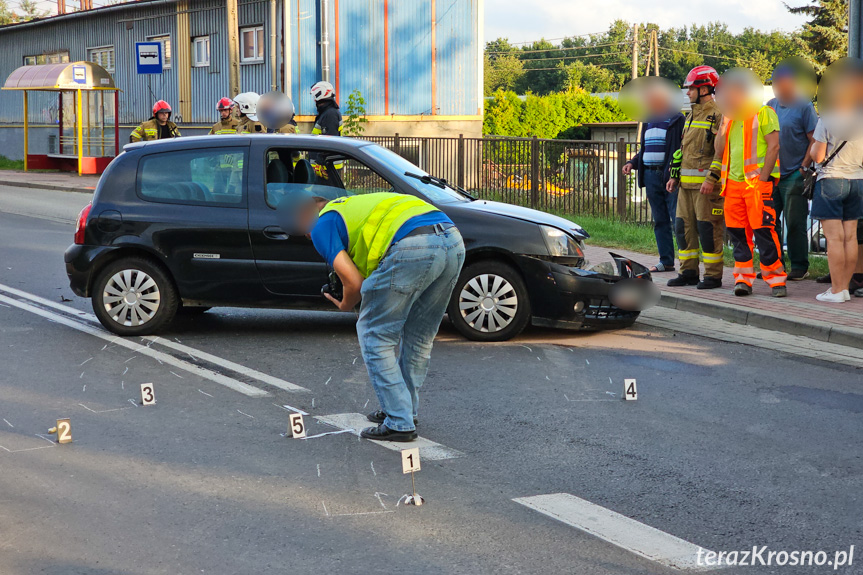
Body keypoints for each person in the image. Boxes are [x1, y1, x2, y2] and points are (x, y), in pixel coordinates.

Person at [291, 190, 464, 441]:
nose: (308, 236)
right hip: (452, 241)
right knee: (419, 336)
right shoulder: (354, 206)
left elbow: (353, 281)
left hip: (412, 247)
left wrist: (344, 304)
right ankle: (404, 411)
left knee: (375, 335)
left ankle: (399, 422)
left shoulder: (321, 225)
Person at [715, 69, 787, 297]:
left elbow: (774, 146)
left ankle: (776, 281)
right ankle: (743, 280)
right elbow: (719, 151)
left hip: (757, 185)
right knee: (738, 236)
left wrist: (764, 179)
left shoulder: (764, 112)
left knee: (764, 233)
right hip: (732, 187)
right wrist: (724, 126)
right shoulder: (729, 117)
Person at [666, 66, 725, 289]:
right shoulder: (690, 114)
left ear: (704, 89)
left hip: (706, 187)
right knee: (683, 230)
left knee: (708, 230)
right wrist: (674, 175)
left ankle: (713, 276)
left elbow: (721, 152)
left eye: (691, 88)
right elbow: (683, 150)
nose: (688, 92)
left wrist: (712, 179)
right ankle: (688, 272)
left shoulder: (718, 114)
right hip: (685, 186)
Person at [767, 63, 819, 281]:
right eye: (775, 83)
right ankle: (775, 265)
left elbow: (815, 140)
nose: (778, 87)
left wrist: (804, 166)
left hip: (795, 173)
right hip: (773, 174)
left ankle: (799, 265)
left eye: (782, 83)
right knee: (769, 222)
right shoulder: (770, 106)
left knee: (795, 221)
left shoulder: (804, 106)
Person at [623, 91, 685, 273]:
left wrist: (675, 173)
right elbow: (645, 149)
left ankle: (687, 265)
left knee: (678, 221)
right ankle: (666, 261)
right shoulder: (648, 120)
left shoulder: (676, 118)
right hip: (650, 175)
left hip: (670, 176)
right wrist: (632, 162)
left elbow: (682, 147)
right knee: (660, 221)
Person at [808, 120, 863, 302]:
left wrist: (813, 149)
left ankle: (836, 290)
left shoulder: (828, 118)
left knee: (834, 239)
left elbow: (818, 156)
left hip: (831, 179)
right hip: (857, 180)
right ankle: (845, 288)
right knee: (850, 237)